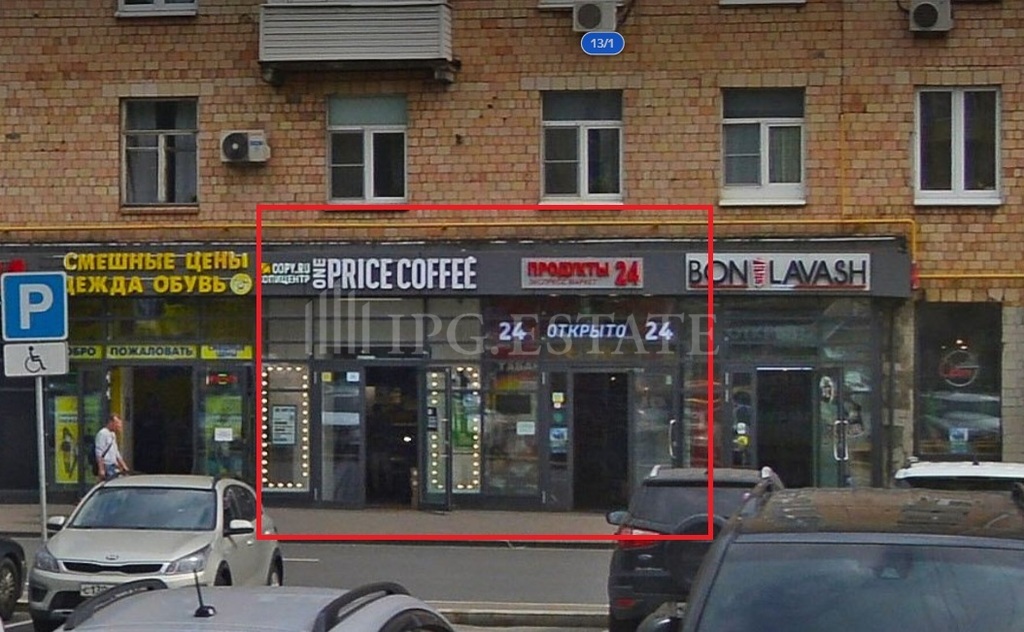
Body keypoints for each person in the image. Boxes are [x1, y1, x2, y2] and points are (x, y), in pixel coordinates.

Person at [95, 414, 129, 480]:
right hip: (106, 465)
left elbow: (116, 452)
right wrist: (101, 469)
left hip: (113, 465)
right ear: (111, 422)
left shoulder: (113, 434)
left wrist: (124, 466)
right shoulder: (102, 433)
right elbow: (99, 452)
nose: (118, 426)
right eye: (117, 423)